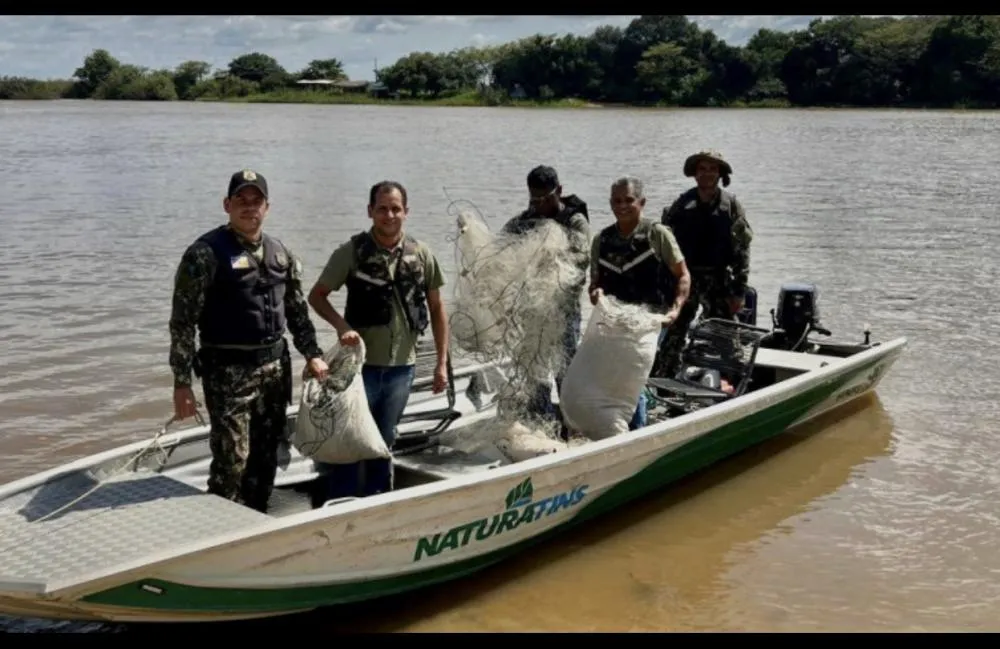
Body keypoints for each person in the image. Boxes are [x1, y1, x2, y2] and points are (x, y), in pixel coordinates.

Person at [169, 168, 329, 514]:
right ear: (226, 204)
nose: (248, 206)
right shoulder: (204, 254)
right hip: (228, 374)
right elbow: (182, 323)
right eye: (241, 199)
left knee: (267, 456)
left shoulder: (281, 253)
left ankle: (255, 517)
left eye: (256, 200)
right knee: (232, 461)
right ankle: (219, 522)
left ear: (266, 207)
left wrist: (313, 354)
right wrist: (182, 383)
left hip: (275, 373)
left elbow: (297, 312)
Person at [307, 180, 449, 501]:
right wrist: (342, 326)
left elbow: (438, 309)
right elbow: (316, 296)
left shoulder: (422, 254)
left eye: (396, 209)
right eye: (382, 209)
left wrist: (441, 364)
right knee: (350, 438)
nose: (389, 215)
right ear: (370, 211)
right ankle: (340, 503)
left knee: (385, 439)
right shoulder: (351, 252)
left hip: (402, 369)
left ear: (406, 212)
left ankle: (378, 500)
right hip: (360, 370)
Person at [588, 176, 691, 430]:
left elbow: (683, 275)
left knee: (634, 377)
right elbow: (595, 285)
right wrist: (596, 293)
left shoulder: (657, 234)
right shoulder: (602, 240)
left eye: (629, 200)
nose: (622, 206)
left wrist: (675, 309)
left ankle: (637, 432)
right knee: (610, 375)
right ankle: (612, 427)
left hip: (652, 320)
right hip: (615, 320)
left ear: (642, 202)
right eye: (617, 201)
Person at [652, 150, 753, 380]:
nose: (707, 174)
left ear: (720, 174)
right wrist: (664, 287)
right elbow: (665, 247)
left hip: (719, 280)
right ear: (695, 174)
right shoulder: (681, 205)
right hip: (685, 279)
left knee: (727, 336)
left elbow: (742, 252)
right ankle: (663, 381)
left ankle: (736, 381)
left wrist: (738, 291)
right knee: (673, 335)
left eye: (712, 169)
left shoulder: (732, 206)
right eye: (702, 169)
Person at [500, 165, 591, 421]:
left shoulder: (574, 221)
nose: (540, 205)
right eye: (534, 199)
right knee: (535, 366)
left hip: (565, 309)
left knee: (566, 368)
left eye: (545, 199)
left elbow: (582, 258)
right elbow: (500, 243)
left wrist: (550, 254)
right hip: (533, 309)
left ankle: (572, 419)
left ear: (559, 191)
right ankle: (542, 418)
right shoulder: (524, 220)